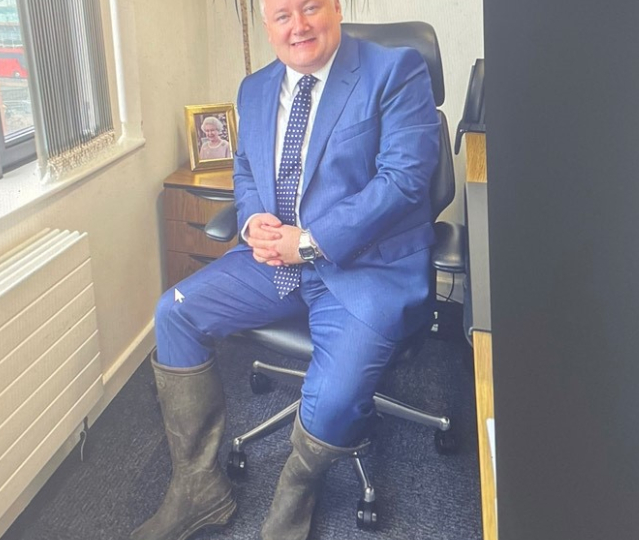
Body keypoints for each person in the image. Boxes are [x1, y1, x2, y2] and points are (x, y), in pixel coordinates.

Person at [131, 0, 440, 539]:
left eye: (310, 7)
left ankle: (293, 501)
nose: (298, 25)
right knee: (173, 314)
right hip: (273, 260)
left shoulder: (394, 70)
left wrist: (312, 241)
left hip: (362, 266)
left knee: (338, 397)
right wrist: (252, 222)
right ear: (266, 26)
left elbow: (405, 180)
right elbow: (246, 169)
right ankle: (198, 488)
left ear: (336, 9)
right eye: (281, 15)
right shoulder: (253, 89)